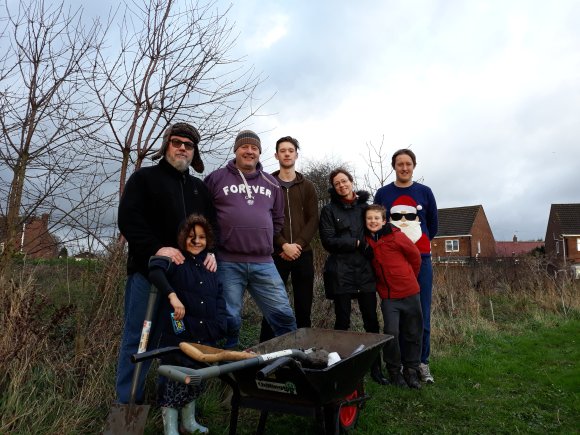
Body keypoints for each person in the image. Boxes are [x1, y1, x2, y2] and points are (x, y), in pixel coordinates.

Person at [116, 122, 217, 404]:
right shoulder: (144, 179)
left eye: (188, 144)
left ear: (194, 152)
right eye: (176, 142)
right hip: (148, 277)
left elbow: (212, 227)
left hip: (186, 284)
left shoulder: (199, 189)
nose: (182, 147)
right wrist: (158, 248)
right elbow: (129, 220)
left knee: (177, 343)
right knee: (139, 338)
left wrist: (211, 251)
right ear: (166, 146)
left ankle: (170, 402)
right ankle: (127, 402)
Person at [204, 130, 297, 349]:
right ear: (236, 149)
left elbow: (278, 218)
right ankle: (228, 370)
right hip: (227, 260)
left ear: (259, 152)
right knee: (229, 318)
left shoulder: (272, 184)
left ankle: (290, 362)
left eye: (254, 148)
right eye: (244, 147)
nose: (249, 151)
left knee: (283, 315)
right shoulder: (216, 178)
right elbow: (203, 216)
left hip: (264, 262)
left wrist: (262, 236)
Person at [148, 214, 225, 434]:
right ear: (183, 238)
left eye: (201, 237)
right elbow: (154, 269)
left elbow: (219, 298)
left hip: (203, 336)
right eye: (191, 236)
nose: (196, 241)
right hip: (177, 337)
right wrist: (172, 296)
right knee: (173, 382)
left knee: (195, 379)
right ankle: (170, 428)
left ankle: (188, 423)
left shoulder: (211, 267)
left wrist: (220, 323)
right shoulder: (176, 262)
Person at [373, 149, 438, 384]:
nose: (404, 168)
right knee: (396, 319)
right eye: (400, 164)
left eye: (408, 164)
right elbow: (375, 224)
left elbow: (433, 224)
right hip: (394, 265)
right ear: (394, 166)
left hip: (422, 260)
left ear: (414, 166)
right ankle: (399, 365)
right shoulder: (383, 193)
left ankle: (421, 363)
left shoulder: (425, 192)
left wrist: (419, 246)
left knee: (422, 314)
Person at [319, 167, 388, 385]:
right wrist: (356, 243)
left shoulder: (365, 208)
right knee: (342, 322)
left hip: (365, 272)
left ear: (351, 182)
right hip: (341, 273)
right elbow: (328, 241)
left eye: (344, 181)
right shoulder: (329, 211)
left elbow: (378, 228)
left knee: (371, 323)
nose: (341, 185)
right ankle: (340, 370)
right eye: (337, 183)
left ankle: (376, 369)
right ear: (334, 187)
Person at [259, 136, 319, 342]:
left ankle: (304, 354)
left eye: (290, 150)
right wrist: (283, 244)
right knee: (273, 307)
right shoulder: (266, 183)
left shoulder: (308, 186)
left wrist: (298, 245)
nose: (286, 153)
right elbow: (263, 218)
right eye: (282, 150)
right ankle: (266, 352)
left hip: (303, 254)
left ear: (296, 154)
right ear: (276, 155)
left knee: (304, 308)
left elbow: (313, 219)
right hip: (276, 255)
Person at [364, 204, 423, 389]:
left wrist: (407, 276)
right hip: (389, 298)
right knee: (392, 333)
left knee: (412, 332)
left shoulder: (397, 237)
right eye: (369, 218)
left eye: (376, 218)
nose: (373, 221)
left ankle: (411, 371)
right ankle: (394, 371)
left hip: (410, 292)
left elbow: (415, 257)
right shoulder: (367, 242)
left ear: (384, 220)